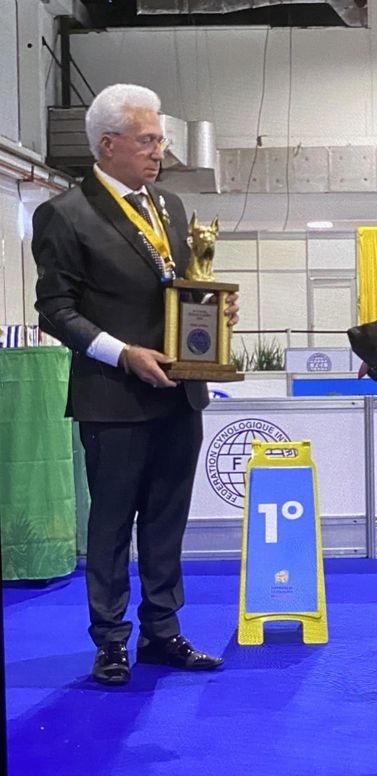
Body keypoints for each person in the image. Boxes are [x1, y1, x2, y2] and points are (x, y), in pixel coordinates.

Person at [32, 83, 238, 686]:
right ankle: (110, 641)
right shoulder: (64, 214)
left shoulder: (170, 206)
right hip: (113, 397)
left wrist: (214, 312)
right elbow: (55, 310)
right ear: (108, 144)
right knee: (112, 525)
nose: (159, 152)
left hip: (180, 393)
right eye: (148, 140)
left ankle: (162, 632)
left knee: (167, 522)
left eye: (160, 140)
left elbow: (184, 287)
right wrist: (123, 354)